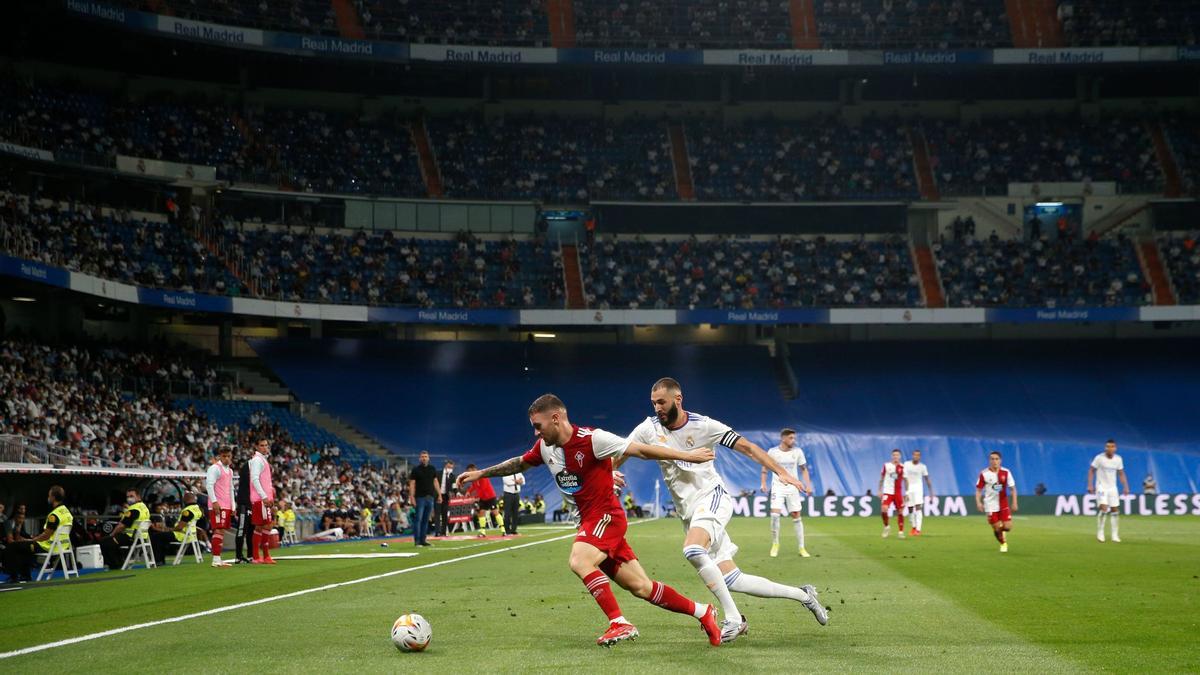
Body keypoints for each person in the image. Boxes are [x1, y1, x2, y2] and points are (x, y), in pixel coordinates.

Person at [456, 393, 724, 647]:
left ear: (557, 418)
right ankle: (703, 612)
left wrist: (688, 455)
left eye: (538, 426)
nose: (536, 433)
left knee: (579, 560)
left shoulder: (594, 439)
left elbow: (641, 450)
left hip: (605, 516)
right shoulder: (544, 447)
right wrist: (481, 474)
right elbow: (519, 463)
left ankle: (619, 622)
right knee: (642, 587)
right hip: (588, 523)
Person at [621, 377, 828, 644]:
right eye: (653, 403)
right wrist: (612, 470)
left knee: (692, 550)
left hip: (713, 497)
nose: (657, 408)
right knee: (732, 579)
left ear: (678, 399)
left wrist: (783, 473)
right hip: (690, 513)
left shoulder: (704, 425)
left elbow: (749, 448)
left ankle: (734, 619)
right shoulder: (648, 429)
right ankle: (804, 595)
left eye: (661, 402)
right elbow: (621, 452)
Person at [760, 428, 813, 558]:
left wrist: (808, 485)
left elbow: (804, 469)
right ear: (783, 438)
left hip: (793, 487)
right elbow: (765, 467)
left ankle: (802, 547)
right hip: (778, 486)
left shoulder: (798, 452)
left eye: (794, 438)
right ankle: (775, 544)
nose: (793, 440)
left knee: (796, 515)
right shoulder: (772, 452)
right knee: (775, 514)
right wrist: (763, 483)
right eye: (790, 438)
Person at [3, 486, 71, 582]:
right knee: (24, 547)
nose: (48, 497)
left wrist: (31, 540)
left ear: (53, 497)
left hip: (48, 546)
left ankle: (13, 576)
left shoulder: (54, 515)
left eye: (49, 495)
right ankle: (25, 575)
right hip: (63, 545)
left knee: (12, 547)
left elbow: (46, 536)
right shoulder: (66, 511)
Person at [1088, 439, 1130, 543]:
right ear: (1105, 448)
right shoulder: (1099, 458)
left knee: (1115, 510)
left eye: (1111, 446)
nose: (1109, 448)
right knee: (1104, 508)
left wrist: (1125, 486)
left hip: (1112, 487)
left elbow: (1121, 473)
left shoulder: (1118, 459)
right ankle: (1100, 532)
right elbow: (1091, 471)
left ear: (1115, 448)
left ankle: (1115, 535)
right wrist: (1090, 485)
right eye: (1107, 446)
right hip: (1101, 486)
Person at [975, 451, 1017, 553]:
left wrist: (1015, 502)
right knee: (997, 527)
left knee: (1007, 527)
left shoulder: (1006, 472)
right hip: (990, 505)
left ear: (1000, 460)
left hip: (1003, 503)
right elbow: (979, 490)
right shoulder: (984, 473)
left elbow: (1012, 488)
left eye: (996, 459)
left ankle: (999, 532)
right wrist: (978, 502)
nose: (994, 461)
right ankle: (1003, 543)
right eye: (992, 459)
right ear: (989, 460)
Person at [100, 488, 151, 570]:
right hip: (141, 537)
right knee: (112, 540)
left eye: (131, 496)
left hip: (130, 537)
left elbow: (122, 526)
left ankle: (114, 565)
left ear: (138, 497)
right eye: (128, 496)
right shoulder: (144, 507)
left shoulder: (133, 509)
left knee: (105, 541)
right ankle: (119, 562)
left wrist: (112, 534)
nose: (129, 498)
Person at [248, 437, 276, 564]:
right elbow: (254, 479)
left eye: (266, 445)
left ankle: (263, 555)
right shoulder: (257, 460)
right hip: (260, 499)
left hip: (265, 498)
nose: (265, 447)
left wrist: (270, 496)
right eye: (262, 445)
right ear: (256, 447)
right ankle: (258, 556)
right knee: (261, 526)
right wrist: (264, 496)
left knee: (266, 525)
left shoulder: (263, 460)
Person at [205, 447, 235, 567]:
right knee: (218, 529)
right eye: (224, 456)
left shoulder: (230, 471)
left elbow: (231, 488)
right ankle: (216, 560)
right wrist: (214, 502)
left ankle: (218, 559)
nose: (226, 458)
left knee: (221, 531)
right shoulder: (214, 468)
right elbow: (209, 485)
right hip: (218, 504)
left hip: (226, 505)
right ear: (220, 456)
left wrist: (233, 505)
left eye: (228, 456)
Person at [407, 451, 440, 547]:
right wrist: (412, 497)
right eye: (422, 457)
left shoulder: (432, 468)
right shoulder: (415, 469)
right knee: (418, 519)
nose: (424, 458)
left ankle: (423, 540)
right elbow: (412, 484)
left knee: (426, 520)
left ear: (428, 458)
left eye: (425, 456)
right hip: (419, 497)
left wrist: (439, 494)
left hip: (430, 497)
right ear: (419, 458)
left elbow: (435, 481)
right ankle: (417, 541)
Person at [903, 449, 934, 537]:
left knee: (918, 507)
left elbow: (927, 479)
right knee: (910, 508)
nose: (916, 456)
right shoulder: (906, 464)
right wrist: (906, 492)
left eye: (918, 455)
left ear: (920, 457)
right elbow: (905, 479)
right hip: (909, 489)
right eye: (915, 455)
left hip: (918, 489)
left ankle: (918, 529)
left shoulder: (922, 467)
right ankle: (913, 527)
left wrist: (931, 492)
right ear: (912, 455)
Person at [879, 449, 908, 539]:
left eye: (897, 455)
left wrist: (907, 493)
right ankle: (887, 527)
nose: (896, 456)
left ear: (900, 456)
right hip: (888, 491)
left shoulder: (903, 467)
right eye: (894, 455)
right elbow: (882, 478)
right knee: (884, 509)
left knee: (900, 511)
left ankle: (900, 531)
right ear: (892, 456)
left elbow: (906, 480)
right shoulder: (886, 465)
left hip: (898, 492)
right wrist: (879, 490)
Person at [464, 464, 499, 537]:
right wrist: (468, 491)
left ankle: (503, 530)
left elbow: (483, 488)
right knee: (481, 513)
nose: (469, 473)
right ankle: (483, 532)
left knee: (495, 512)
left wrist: (476, 497)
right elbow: (474, 486)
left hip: (490, 497)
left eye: (469, 471)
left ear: (474, 469)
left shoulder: (482, 475)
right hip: (483, 498)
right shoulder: (474, 477)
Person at [171, 492, 207, 559]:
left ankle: (159, 560)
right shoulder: (198, 509)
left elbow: (180, 527)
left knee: (158, 537)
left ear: (185, 499)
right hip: (192, 534)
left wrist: (169, 529)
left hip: (180, 534)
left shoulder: (187, 511)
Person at [234, 453, 253, 564]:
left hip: (251, 503)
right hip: (243, 504)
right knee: (242, 529)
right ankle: (238, 556)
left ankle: (250, 555)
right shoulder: (247, 467)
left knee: (251, 530)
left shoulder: (253, 469)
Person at [437, 459, 456, 535]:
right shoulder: (438, 473)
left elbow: (454, 486)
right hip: (438, 496)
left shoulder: (452, 476)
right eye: (449, 467)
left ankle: (443, 532)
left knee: (445, 514)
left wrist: (456, 492)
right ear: (445, 466)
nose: (450, 469)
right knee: (437, 514)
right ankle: (437, 531)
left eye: (451, 468)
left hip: (446, 497)